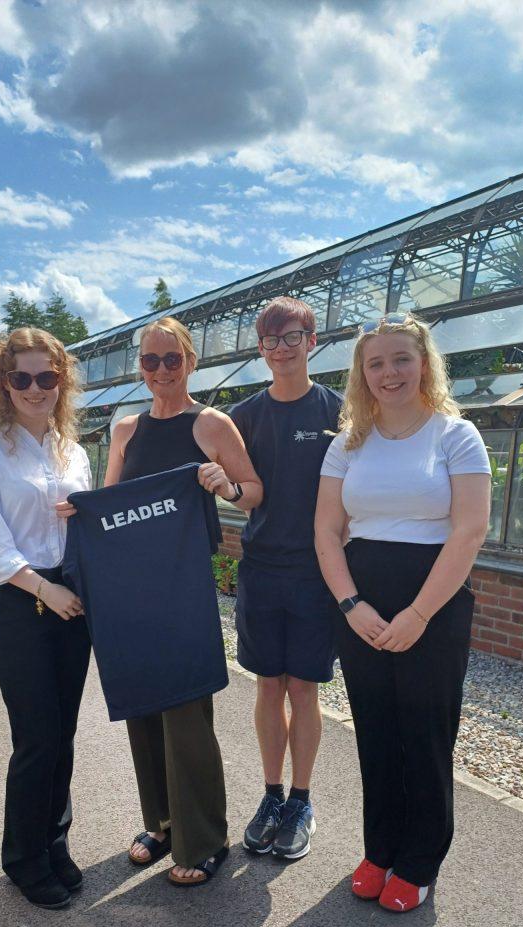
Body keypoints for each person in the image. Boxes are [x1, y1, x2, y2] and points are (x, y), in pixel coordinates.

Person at [315, 312, 491, 913]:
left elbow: (469, 531)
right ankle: (380, 848)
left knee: (425, 731)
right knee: (376, 731)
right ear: (362, 374)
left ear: (424, 364)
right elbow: (327, 530)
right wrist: (349, 603)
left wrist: (418, 614)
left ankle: (420, 859)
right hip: (361, 605)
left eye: (401, 360)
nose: (389, 373)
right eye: (376, 363)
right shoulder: (347, 444)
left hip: (433, 605)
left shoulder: (455, 436)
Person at [105, 316, 263, 886]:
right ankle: (163, 821)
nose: (161, 371)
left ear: (191, 362)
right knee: (145, 709)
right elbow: (110, 507)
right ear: (140, 367)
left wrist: (226, 486)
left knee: (187, 716)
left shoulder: (212, 424)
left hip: (186, 591)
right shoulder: (126, 430)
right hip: (136, 590)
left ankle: (206, 837)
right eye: (150, 361)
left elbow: (254, 493)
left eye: (172, 359)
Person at [0, 328, 92, 910]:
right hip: (20, 599)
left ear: (61, 383)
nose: (35, 388)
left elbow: (89, 523)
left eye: (47, 377)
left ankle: (53, 840)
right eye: (22, 378)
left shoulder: (73, 449)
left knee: (62, 734)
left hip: (72, 600)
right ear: (3, 383)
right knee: (36, 736)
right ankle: (23, 857)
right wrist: (43, 588)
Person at [230, 296, 341, 861]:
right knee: (267, 685)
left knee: (304, 687)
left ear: (311, 341)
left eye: (291, 337)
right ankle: (271, 795)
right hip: (261, 568)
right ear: (261, 349)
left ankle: (301, 800)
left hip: (317, 573)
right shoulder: (245, 417)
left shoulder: (337, 412)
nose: (281, 348)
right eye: (271, 340)